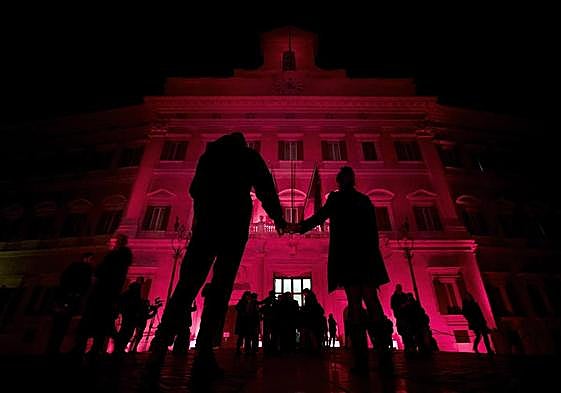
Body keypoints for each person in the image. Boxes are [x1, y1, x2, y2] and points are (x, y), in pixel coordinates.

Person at [149, 132, 286, 379]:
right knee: (221, 287)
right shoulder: (248, 156)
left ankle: (159, 344)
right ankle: (204, 351)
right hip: (234, 227)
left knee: (187, 285)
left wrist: (204, 214)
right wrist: (278, 218)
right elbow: (265, 188)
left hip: (206, 226)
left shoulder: (209, 156)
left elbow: (194, 190)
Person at [290, 166, 390, 374]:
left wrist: (298, 227)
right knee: (372, 301)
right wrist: (373, 255)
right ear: (353, 181)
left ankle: (361, 359)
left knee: (354, 304)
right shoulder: (364, 200)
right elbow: (373, 231)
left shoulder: (336, 200)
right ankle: (383, 354)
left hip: (347, 256)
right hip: (366, 255)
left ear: (339, 182)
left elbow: (318, 218)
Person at [72, 234, 132, 356]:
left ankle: (86, 348)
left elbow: (105, 270)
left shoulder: (117, 256)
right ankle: (94, 347)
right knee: (101, 323)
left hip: (104, 292)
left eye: (117, 241)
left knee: (96, 321)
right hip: (107, 293)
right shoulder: (122, 257)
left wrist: (98, 276)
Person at [46, 252, 94, 355]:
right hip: (70, 299)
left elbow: (64, 278)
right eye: (90, 259)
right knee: (62, 324)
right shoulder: (85, 270)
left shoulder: (74, 267)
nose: (91, 261)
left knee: (58, 325)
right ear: (86, 259)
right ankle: (54, 349)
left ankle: (52, 348)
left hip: (65, 298)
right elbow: (86, 285)